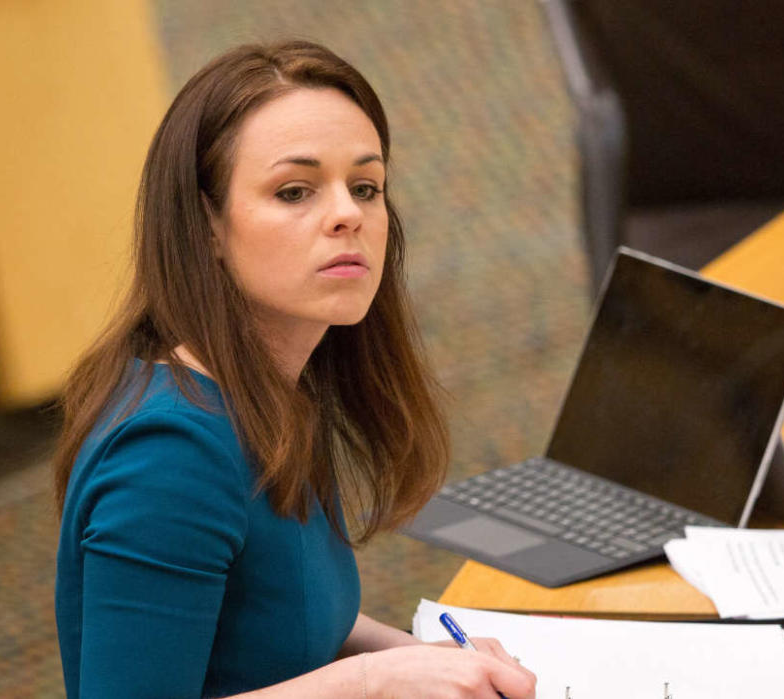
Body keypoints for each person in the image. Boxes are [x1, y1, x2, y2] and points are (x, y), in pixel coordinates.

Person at [52, 40, 538, 698]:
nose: (348, 214)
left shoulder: (278, 386)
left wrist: (427, 657)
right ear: (207, 227)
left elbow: (277, 620)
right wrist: (373, 680)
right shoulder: (168, 459)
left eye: (365, 187)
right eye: (294, 191)